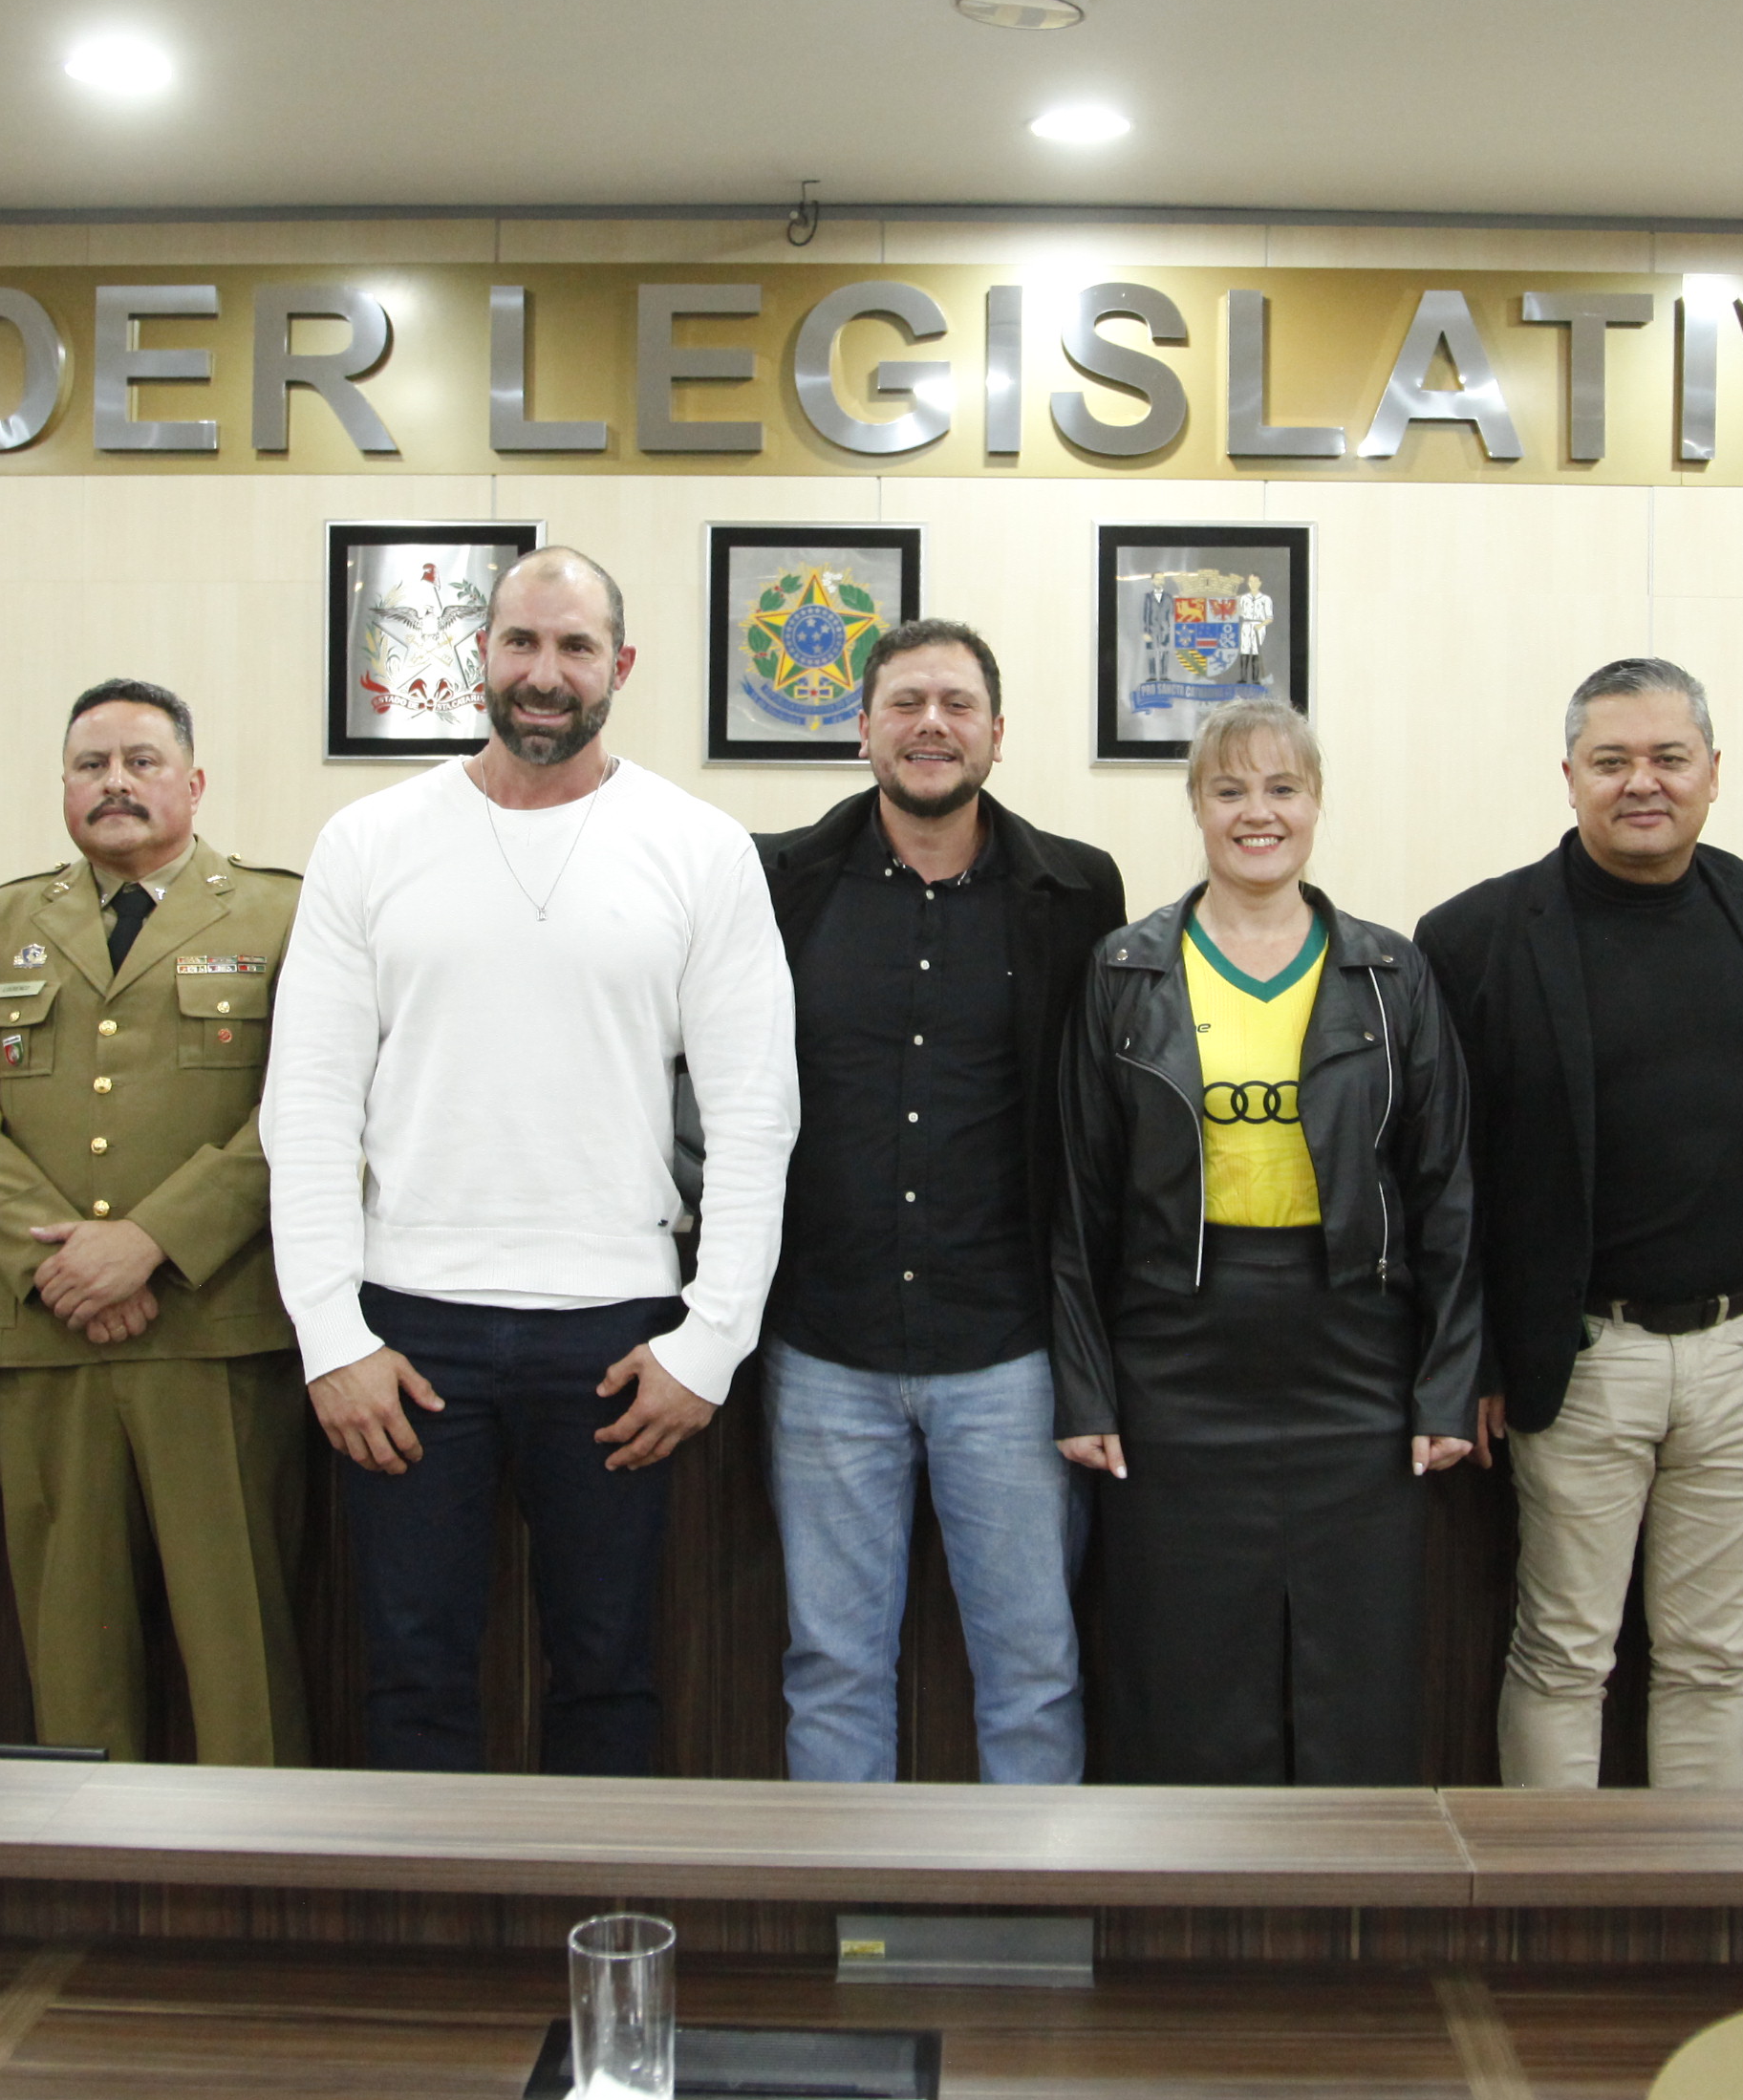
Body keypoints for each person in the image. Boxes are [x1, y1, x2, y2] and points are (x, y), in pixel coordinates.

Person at [259, 546, 796, 1775]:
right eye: (519, 643)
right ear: (480, 656)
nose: (544, 673)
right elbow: (307, 1108)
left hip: (618, 1337)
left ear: (621, 664)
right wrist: (331, 1337)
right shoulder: (369, 839)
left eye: (573, 647)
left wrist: (709, 1343)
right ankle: (430, 1962)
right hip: (407, 1332)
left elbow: (757, 1115)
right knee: (410, 1670)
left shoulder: (700, 847)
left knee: (610, 1674)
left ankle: (599, 1946)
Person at [1416, 655, 1743, 1789]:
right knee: (1564, 1653)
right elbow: (1443, 1177)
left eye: (1667, 758)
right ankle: (1554, 1912)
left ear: (1712, 773)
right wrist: (1482, 1356)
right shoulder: (1475, 937)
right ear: (1569, 776)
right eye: (1612, 761)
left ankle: (1692, 1911)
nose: (1640, 782)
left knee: (1712, 1658)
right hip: (1581, 1357)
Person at [1051, 696, 1475, 1785]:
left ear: (1318, 803)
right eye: (1230, 789)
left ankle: (1349, 1917)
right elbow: (1079, 1200)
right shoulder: (1124, 971)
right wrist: (1087, 1390)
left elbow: (1445, 1194)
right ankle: (1193, 1919)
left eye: (1282, 787)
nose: (1258, 812)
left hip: (1353, 1355)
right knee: (1185, 1664)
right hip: (1177, 1355)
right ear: (1195, 804)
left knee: (1358, 1663)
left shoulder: (1389, 977)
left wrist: (1443, 1385)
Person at [755, 617, 1125, 1784]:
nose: (931, 724)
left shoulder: (1075, 888)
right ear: (861, 727)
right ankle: (847, 1929)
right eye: (906, 701)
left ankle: (1031, 1937)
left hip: (1007, 1354)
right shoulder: (775, 882)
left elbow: (1097, 1115)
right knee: (833, 1663)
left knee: (1031, 1665)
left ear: (998, 735)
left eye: (957, 704)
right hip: (824, 1346)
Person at [0, 679, 309, 1765]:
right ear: (65, 785)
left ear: (195, 780)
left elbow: (318, 1107)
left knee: (241, 1652)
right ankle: (95, 1893)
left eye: (141, 760)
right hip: (45, 1328)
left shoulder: (282, 911)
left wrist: (152, 1240)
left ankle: (257, 1883)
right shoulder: (2, 919)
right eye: (92, 765)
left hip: (215, 1323)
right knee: (69, 1645)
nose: (116, 783)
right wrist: (58, 1258)